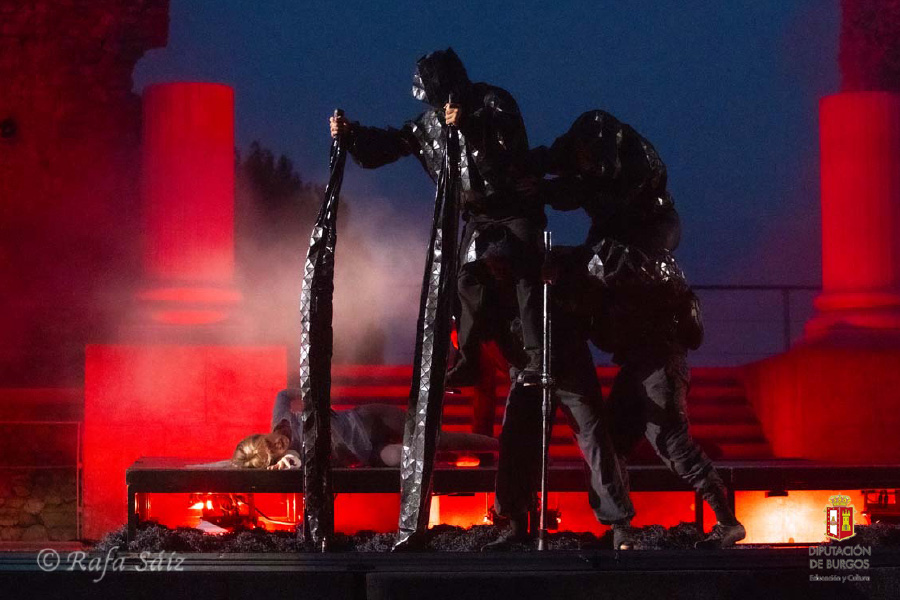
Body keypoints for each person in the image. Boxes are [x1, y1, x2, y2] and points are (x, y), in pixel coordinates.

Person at [536, 109, 746, 549]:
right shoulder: (633, 248)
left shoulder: (644, 257)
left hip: (659, 363)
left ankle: (728, 521)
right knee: (614, 441)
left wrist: (565, 263)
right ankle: (623, 529)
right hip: (641, 364)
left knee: (671, 441)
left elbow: (609, 264)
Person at [329, 48, 545, 386]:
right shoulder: (430, 125)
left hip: (516, 208)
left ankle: (536, 358)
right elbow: (391, 144)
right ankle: (471, 360)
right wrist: (351, 134)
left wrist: (469, 126)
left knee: (524, 273)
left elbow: (509, 153)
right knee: (465, 281)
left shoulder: (493, 101)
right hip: (479, 217)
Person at [231, 389, 498, 470]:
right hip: (372, 452)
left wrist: (311, 393)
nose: (277, 445)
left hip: (371, 418)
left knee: (438, 438)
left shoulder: (281, 416)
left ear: (262, 434)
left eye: (269, 441)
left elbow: (283, 393)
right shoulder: (293, 460)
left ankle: (499, 445)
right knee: (415, 455)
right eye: (273, 453)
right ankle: (453, 459)